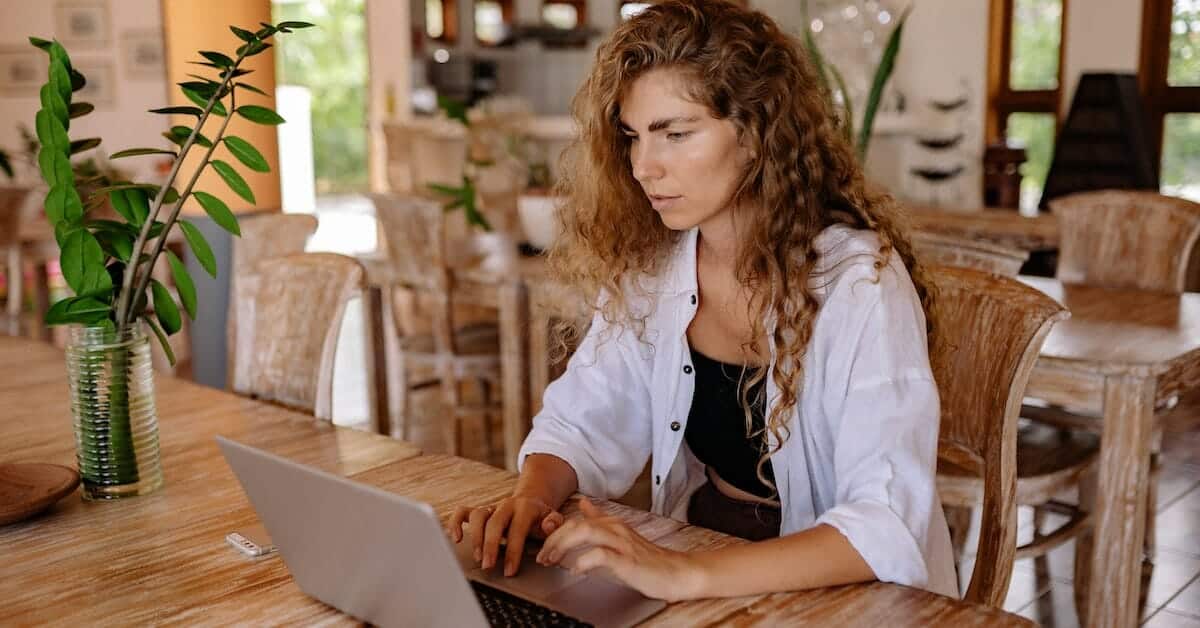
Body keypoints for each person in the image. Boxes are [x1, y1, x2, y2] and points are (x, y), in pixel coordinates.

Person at [450, 0, 957, 602]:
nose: (643, 166)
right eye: (633, 137)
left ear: (756, 132)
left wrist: (680, 574)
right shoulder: (657, 264)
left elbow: (885, 523)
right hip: (708, 546)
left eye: (676, 134)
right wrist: (529, 501)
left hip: (835, 584)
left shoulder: (858, 283)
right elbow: (583, 420)